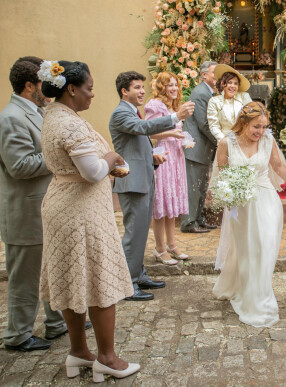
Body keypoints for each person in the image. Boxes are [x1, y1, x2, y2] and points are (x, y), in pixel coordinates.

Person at [38, 60, 139, 381]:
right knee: (98, 281)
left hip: (65, 206)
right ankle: (107, 358)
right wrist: (111, 158)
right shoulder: (69, 124)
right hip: (80, 213)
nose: (93, 95)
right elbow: (92, 171)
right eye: (89, 88)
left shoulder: (55, 115)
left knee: (75, 279)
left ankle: (79, 352)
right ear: (71, 89)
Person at [0, 56, 69, 352]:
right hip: (24, 213)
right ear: (30, 85)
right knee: (24, 279)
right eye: (44, 83)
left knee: (48, 271)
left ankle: (56, 323)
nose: (49, 88)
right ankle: (17, 335)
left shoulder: (38, 111)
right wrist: (60, 154)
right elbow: (19, 166)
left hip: (44, 208)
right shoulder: (11, 118)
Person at [109, 71, 194, 301]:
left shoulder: (131, 111)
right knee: (133, 235)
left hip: (144, 177)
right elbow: (144, 129)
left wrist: (151, 156)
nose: (142, 91)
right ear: (124, 91)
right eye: (137, 87)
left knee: (139, 235)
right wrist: (176, 115)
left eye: (142, 87)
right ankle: (128, 284)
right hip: (132, 182)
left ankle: (139, 274)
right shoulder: (120, 113)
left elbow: (138, 140)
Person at [212, 102, 286, 327]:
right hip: (241, 206)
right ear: (243, 122)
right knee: (246, 250)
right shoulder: (227, 143)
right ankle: (244, 290)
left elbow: (278, 166)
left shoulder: (268, 141)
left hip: (267, 200)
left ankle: (260, 300)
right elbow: (222, 175)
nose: (261, 132)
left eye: (265, 127)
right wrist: (227, 196)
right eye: (256, 126)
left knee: (265, 247)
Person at [144, 72, 190, 265]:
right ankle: (159, 247)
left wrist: (184, 139)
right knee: (161, 204)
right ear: (161, 87)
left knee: (171, 204)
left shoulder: (174, 106)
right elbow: (151, 131)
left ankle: (172, 244)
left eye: (176, 85)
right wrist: (174, 134)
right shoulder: (154, 105)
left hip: (176, 157)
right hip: (162, 156)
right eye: (169, 85)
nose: (174, 88)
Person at [181, 61, 219, 234]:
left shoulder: (208, 92)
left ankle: (199, 219)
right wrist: (220, 141)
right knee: (194, 188)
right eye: (214, 73)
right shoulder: (201, 93)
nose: (217, 76)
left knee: (201, 187)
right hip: (195, 149)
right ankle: (189, 223)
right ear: (204, 75)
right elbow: (204, 124)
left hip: (202, 149)